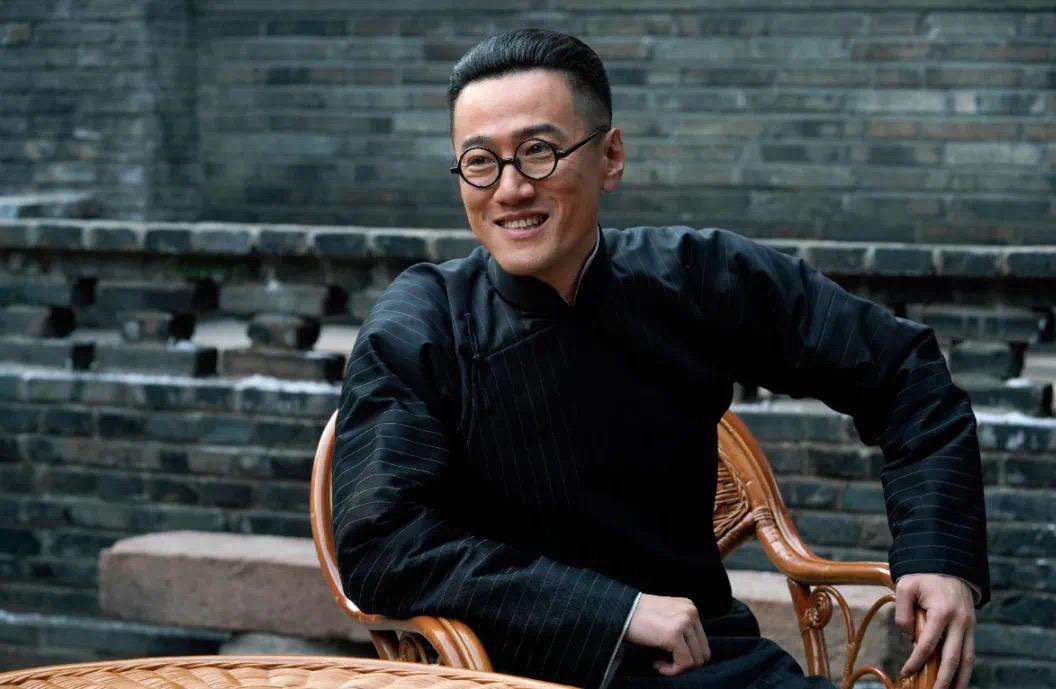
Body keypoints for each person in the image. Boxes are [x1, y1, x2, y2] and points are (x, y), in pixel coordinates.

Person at [332, 29, 989, 689]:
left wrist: (938, 554)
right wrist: (614, 612)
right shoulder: (422, 323)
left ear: (610, 156)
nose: (510, 188)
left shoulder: (696, 276)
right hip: (514, 673)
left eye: (538, 151)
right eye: (480, 161)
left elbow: (906, 375)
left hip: (711, 662)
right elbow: (382, 545)